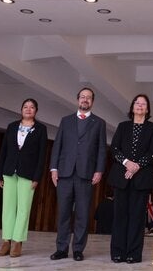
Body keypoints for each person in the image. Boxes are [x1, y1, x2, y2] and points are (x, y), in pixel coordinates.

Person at [48, 87, 107, 261]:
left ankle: (78, 249)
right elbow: (57, 145)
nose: (85, 100)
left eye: (89, 98)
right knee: (64, 213)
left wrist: (99, 170)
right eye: (82, 97)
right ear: (77, 100)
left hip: (86, 174)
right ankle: (61, 249)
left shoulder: (99, 123)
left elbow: (102, 149)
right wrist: (53, 168)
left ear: (92, 102)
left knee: (82, 214)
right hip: (65, 173)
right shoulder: (65, 121)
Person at [107, 94, 153, 264]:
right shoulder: (123, 126)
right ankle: (117, 253)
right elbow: (115, 148)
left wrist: (136, 166)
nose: (140, 106)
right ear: (132, 107)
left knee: (137, 217)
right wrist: (127, 163)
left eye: (143, 104)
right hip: (121, 177)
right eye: (137, 103)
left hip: (141, 178)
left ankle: (133, 254)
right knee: (120, 216)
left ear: (147, 109)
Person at [0, 98, 48, 258]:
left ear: (36, 111)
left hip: (28, 174)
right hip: (9, 172)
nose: (28, 109)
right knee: (8, 208)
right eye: (25, 107)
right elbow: (3, 151)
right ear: (21, 110)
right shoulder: (11, 127)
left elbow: (41, 155)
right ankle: (6, 241)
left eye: (32, 107)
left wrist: (37, 177)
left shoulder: (41, 129)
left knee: (23, 208)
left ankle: (17, 242)